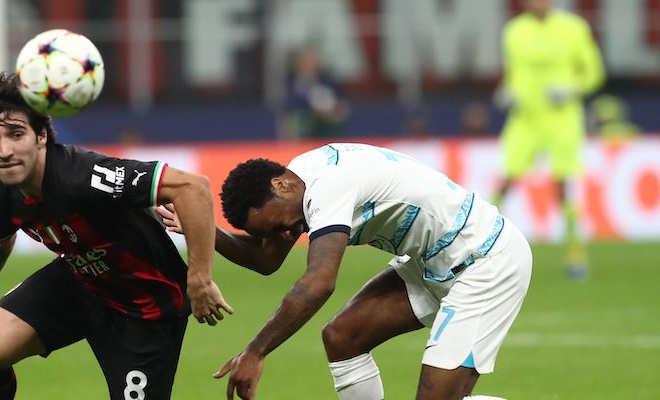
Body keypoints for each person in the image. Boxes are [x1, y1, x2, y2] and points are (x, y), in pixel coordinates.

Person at [0, 72, 232, 400]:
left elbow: (193, 187)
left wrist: (200, 278)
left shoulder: (85, 177)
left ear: (41, 136)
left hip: (146, 307)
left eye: (16, 134)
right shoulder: (0, 191)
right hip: (80, 284)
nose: (3, 150)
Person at [157, 143, 532, 399]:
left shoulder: (327, 186)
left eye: (279, 227)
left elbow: (319, 283)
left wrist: (255, 352)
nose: (287, 235)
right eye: (274, 232)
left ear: (281, 184)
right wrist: (204, 231)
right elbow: (267, 261)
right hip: (430, 264)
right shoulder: (297, 187)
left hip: (485, 261)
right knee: (343, 337)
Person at [493, 0, 605, 279]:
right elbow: (514, 72)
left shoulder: (573, 28)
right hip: (525, 119)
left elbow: (594, 73)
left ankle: (575, 252)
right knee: (507, 178)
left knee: (563, 184)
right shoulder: (514, 31)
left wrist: (572, 89)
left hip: (561, 118)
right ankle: (474, 245)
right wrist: (507, 89)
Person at [280, 47, 350, 140]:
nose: (308, 64)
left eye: (312, 60)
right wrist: (312, 112)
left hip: (327, 121)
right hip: (304, 120)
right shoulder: (291, 82)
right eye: (305, 60)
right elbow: (289, 108)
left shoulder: (327, 80)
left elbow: (342, 103)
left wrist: (332, 110)